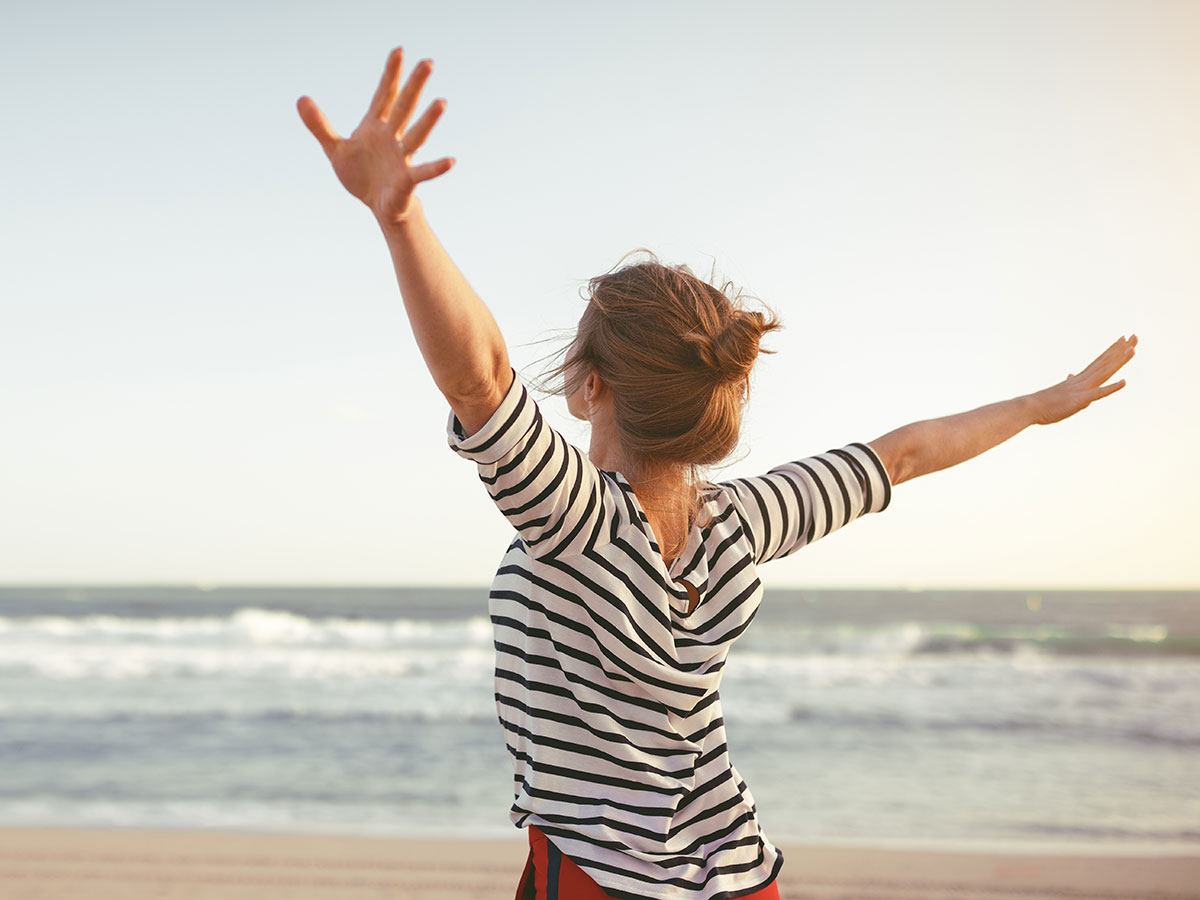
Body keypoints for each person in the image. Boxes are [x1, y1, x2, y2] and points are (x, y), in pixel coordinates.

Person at [297, 46, 1136, 900]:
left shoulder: (574, 519)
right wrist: (1038, 405)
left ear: (591, 389)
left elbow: (479, 377)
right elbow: (903, 454)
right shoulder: (744, 522)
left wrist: (401, 224)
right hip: (740, 873)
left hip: (599, 882)